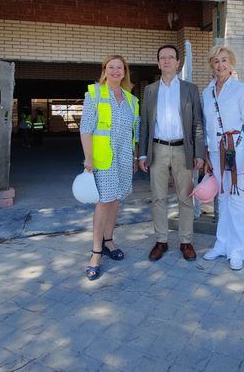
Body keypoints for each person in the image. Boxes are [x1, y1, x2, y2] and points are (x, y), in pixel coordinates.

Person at [139, 45, 205, 262]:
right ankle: (161, 240)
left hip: (182, 150)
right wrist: (142, 154)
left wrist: (199, 153)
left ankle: (186, 242)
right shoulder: (150, 90)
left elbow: (197, 123)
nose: (166, 61)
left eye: (170, 57)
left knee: (186, 197)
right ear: (158, 63)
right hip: (157, 149)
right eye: (162, 58)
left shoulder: (190, 89)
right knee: (158, 197)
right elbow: (145, 125)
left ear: (178, 62)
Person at [80, 55, 140, 281]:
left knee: (116, 200)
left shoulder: (132, 100)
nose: (115, 71)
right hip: (102, 159)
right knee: (103, 202)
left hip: (124, 159)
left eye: (120, 68)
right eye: (111, 67)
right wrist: (88, 157)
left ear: (125, 72)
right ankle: (96, 252)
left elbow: (133, 133)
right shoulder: (94, 94)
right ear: (105, 70)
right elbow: (85, 128)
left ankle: (109, 240)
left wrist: (134, 158)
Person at [201, 45, 244, 271]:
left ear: (230, 62)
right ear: (211, 66)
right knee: (221, 198)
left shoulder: (240, 89)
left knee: (235, 198)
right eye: (216, 61)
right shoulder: (207, 92)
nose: (221, 65)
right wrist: (206, 154)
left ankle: (237, 250)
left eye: (224, 60)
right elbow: (206, 126)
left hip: (236, 150)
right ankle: (221, 244)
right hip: (215, 150)